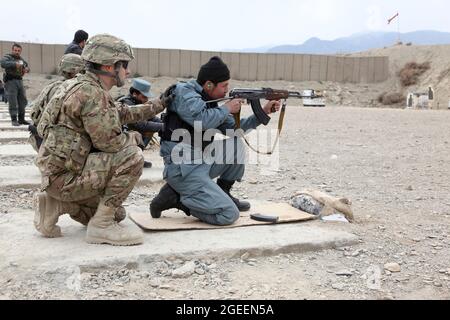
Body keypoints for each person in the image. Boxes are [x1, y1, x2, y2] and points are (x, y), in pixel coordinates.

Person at [34, 34, 170, 246]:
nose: (128, 71)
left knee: (118, 214)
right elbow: (111, 144)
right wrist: (132, 137)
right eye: (124, 65)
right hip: (66, 178)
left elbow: (121, 113)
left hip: (58, 175)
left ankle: (56, 204)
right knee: (133, 157)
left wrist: (158, 104)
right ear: (109, 67)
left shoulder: (79, 86)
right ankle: (101, 227)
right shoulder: (93, 94)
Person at [150, 56, 281, 226]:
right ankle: (179, 200)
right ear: (209, 84)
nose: (227, 90)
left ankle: (222, 192)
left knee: (235, 144)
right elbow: (201, 119)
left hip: (200, 161)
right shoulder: (184, 93)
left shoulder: (211, 102)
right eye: (224, 85)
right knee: (228, 214)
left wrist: (263, 112)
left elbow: (235, 129)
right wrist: (227, 107)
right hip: (183, 169)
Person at [28, 54, 85, 152]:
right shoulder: (69, 90)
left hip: (37, 137)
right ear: (76, 71)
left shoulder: (52, 86)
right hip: (49, 142)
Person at [117, 78, 164, 168]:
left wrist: (166, 124)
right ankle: (131, 159)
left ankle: (136, 158)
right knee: (146, 130)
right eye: (144, 97)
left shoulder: (137, 102)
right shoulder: (127, 103)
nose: (146, 99)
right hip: (120, 141)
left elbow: (152, 118)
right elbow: (141, 125)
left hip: (126, 139)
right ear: (135, 94)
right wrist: (163, 127)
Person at [1, 43, 30, 126]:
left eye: (18, 51)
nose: (17, 52)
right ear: (12, 50)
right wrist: (14, 64)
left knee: (23, 100)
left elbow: (26, 66)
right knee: (13, 100)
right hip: (11, 81)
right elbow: (3, 63)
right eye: (15, 50)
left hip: (19, 81)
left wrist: (27, 69)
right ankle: (14, 119)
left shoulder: (21, 59)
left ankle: (21, 119)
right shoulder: (8, 57)